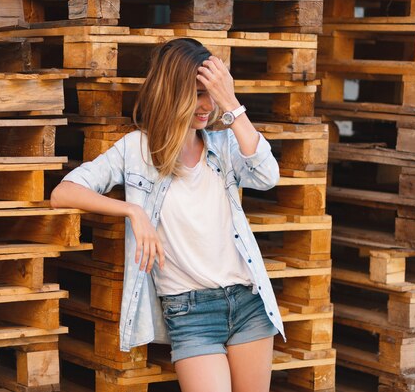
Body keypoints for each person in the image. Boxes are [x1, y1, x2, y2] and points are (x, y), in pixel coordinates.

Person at [50, 38, 284, 392]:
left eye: (211, 94)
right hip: (190, 311)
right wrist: (132, 210)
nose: (206, 106)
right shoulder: (136, 150)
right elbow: (63, 193)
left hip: (247, 300)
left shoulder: (223, 146)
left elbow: (268, 176)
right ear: (170, 92)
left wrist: (232, 104)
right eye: (196, 94)